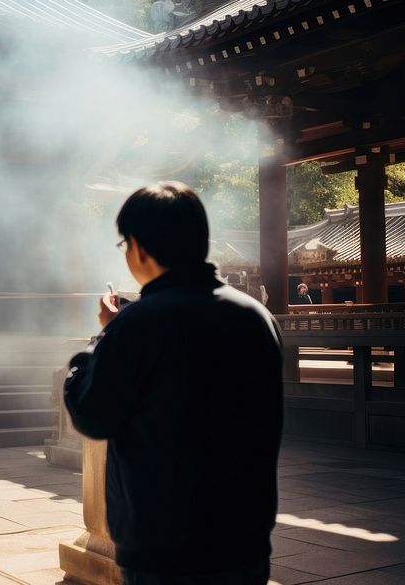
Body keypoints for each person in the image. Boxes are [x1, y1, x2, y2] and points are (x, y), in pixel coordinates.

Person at [64, 182, 283, 584]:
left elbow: (92, 414)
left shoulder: (136, 325)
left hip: (163, 547)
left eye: (124, 244)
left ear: (140, 248)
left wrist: (102, 340)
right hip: (244, 537)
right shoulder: (256, 317)